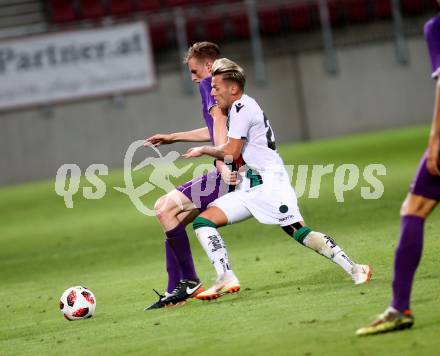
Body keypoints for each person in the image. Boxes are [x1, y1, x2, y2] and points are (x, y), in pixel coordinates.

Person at [183, 58, 372, 300]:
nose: (212, 92)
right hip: (249, 185)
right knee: (203, 223)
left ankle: (356, 268)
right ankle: (225, 276)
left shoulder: (242, 107)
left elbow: (231, 151)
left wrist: (205, 151)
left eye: (216, 87)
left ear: (233, 88)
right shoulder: (235, 110)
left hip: (271, 185)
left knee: (299, 232)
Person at [356, 10, 440, 336]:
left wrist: (435, 140)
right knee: (414, 208)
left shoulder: (436, 27)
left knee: (413, 210)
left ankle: (400, 307)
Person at [143, 42, 237, 309]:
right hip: (234, 168)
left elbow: (218, 124)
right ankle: (175, 289)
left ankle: (190, 281)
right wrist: (173, 137)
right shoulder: (226, 88)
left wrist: (222, 161)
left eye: (195, 71)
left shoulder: (211, 86)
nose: (193, 77)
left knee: (163, 208)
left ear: (208, 66)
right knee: (175, 220)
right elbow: (212, 128)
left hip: (228, 172)